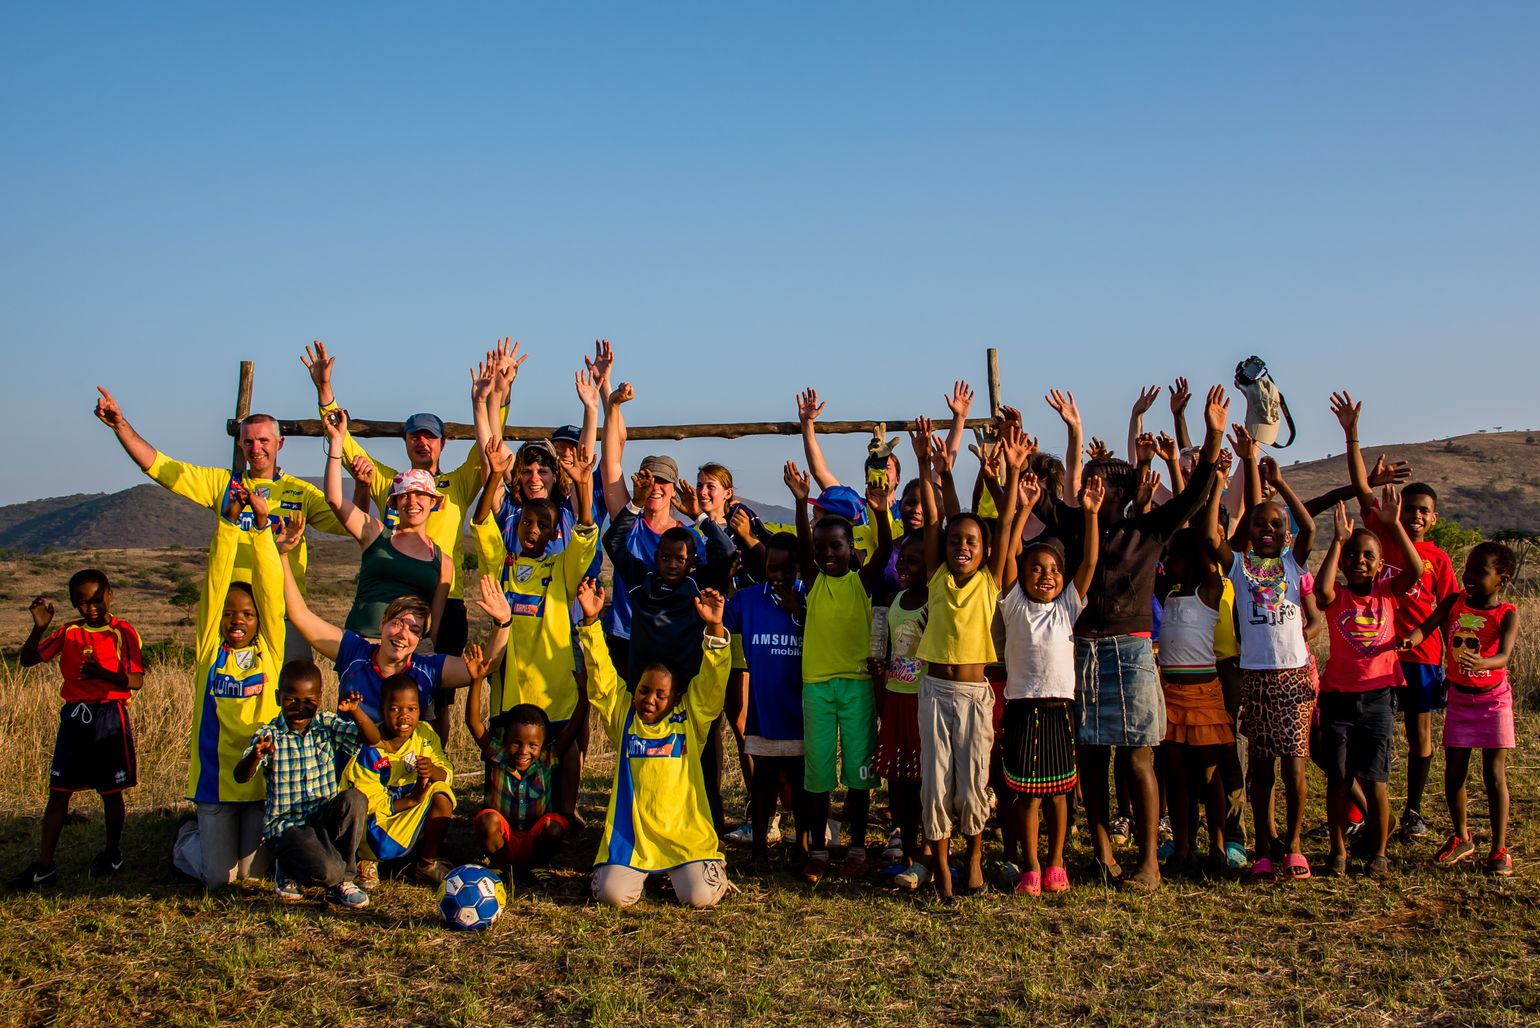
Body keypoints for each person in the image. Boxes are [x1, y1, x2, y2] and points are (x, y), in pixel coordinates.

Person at [1031, 386, 1228, 892]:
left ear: (1122, 491)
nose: (1092, 492)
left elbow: (1196, 493)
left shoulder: (1150, 531)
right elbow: (1045, 497)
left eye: (1103, 486)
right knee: (1092, 756)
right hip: (1083, 651)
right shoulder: (1077, 526)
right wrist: (1017, 462)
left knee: (1139, 755)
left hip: (1133, 652)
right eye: (1088, 484)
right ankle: (1101, 853)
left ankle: (1148, 862)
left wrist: (1212, 434)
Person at [92, 385, 347, 662]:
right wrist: (120, 426)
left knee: (292, 695)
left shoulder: (301, 492)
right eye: (248, 441)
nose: (256, 448)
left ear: (280, 443)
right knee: (230, 697)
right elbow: (161, 468)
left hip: (284, 613)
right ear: (240, 443)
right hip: (233, 618)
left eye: (263, 441)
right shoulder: (223, 484)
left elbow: (349, 522)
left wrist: (362, 484)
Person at [1330, 392, 1459, 842]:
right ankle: (1365, 810)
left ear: (1435, 518)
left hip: (1421, 656)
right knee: (1367, 739)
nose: (1415, 516)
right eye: (1409, 509)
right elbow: (1363, 488)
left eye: (1424, 512)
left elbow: (1448, 605)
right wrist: (1352, 436)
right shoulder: (1382, 534)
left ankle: (1414, 811)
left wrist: (1434, 640)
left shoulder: (1438, 559)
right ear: (1397, 510)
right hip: (1377, 660)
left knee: (1419, 734)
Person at [907, 417, 1021, 900]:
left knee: (972, 781)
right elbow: (935, 521)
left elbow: (1009, 520)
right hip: (934, 691)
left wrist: (1012, 473)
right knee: (935, 784)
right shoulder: (935, 577)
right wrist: (924, 465)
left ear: (985, 551)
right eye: (956, 541)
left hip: (976, 695)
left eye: (972, 542)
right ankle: (942, 869)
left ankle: (973, 860)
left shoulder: (990, 582)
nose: (962, 547)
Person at [577, 579, 735, 909]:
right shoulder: (624, 718)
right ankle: (638, 873)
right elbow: (603, 679)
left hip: (684, 838)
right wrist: (591, 623)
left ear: (676, 698)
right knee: (612, 896)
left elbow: (712, 681)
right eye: (644, 690)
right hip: (632, 840)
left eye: (661, 695)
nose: (650, 699)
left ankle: (698, 871)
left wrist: (716, 626)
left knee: (700, 898)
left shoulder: (690, 717)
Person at [171, 487, 295, 890]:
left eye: (246, 614)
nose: (236, 621)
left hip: (259, 785)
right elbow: (215, 579)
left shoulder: (269, 654)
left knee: (253, 876)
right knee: (218, 880)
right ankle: (187, 838)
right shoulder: (211, 651)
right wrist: (228, 523)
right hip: (215, 783)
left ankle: (219, 846)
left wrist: (262, 529)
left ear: (259, 620)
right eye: (228, 614)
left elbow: (270, 592)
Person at [1206, 454, 1321, 880]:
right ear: (1247, 533)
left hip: (1292, 676)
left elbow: (1309, 528)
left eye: (1276, 524)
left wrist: (1281, 484)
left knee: (1294, 765)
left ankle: (1292, 844)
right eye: (1259, 524)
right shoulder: (1239, 567)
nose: (1268, 530)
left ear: (1286, 532)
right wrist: (1218, 483)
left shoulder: (1293, 564)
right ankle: (1264, 846)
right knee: (1261, 767)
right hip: (1254, 676)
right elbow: (1209, 538)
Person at [471, 438, 598, 821]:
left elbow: (587, 532)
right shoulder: (504, 567)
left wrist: (582, 486)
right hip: (512, 685)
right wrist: (494, 476)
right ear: (518, 523)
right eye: (527, 522)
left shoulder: (561, 570)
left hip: (554, 684)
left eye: (544, 525)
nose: (534, 530)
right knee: (503, 748)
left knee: (566, 746)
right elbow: (481, 525)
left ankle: (564, 813)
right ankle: (501, 812)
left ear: (553, 533)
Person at [997, 438, 1101, 897]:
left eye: (1053, 570)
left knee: (1059, 791)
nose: (1045, 575)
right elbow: (1007, 552)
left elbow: (1091, 561)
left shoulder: (1067, 608)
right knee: (1026, 793)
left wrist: (1092, 515)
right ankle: (1032, 865)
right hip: (1021, 706)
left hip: (1059, 707)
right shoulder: (1015, 605)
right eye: (1036, 568)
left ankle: (1057, 861)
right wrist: (1023, 508)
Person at [278, 521, 507, 725]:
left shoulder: (426, 668)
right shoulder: (354, 651)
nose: (403, 634)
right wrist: (284, 556)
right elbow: (300, 615)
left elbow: (488, 665)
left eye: (415, 630)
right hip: (350, 768)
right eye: (398, 622)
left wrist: (502, 622)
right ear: (382, 624)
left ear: (420, 640)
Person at [785, 456, 892, 884]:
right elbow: (802, 543)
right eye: (821, 547)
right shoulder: (813, 581)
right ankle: (817, 849)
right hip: (817, 688)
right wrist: (798, 502)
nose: (828, 553)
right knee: (818, 775)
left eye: (836, 546)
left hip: (858, 687)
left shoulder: (860, 581)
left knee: (859, 775)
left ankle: (858, 848)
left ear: (852, 550)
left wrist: (882, 511)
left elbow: (886, 549)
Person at [8, 570, 144, 889]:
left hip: (110, 715)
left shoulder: (123, 632)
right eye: (83, 602)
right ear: (74, 603)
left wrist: (105, 674)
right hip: (75, 718)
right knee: (58, 793)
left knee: (111, 792)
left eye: (97, 599)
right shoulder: (68, 632)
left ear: (109, 595)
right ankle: (44, 865)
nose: (92, 607)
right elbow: (28, 660)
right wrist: (38, 629)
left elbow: (136, 680)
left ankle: (112, 854)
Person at [1313, 491, 1423, 876]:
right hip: (1338, 698)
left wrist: (1393, 525)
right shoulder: (1338, 595)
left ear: (1379, 566)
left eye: (1367, 556)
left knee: (1376, 778)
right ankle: (1338, 851)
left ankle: (1379, 851)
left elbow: (1417, 571)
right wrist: (1337, 541)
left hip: (1379, 698)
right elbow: (1320, 591)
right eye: (1352, 556)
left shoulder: (1386, 593)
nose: (1358, 561)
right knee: (1339, 777)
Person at [1402, 542, 1519, 877]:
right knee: (1454, 773)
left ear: (1502, 580)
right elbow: (1428, 624)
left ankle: (1499, 848)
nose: (1468, 577)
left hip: (1493, 700)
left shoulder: (1506, 614)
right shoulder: (1454, 601)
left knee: (1494, 776)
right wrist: (1413, 638)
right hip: (1460, 699)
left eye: (1480, 573)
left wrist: (1483, 661)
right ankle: (1461, 836)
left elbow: (1505, 656)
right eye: (1466, 569)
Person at [234, 663, 381, 908]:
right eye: (291, 699)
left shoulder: (326, 725)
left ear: (320, 698)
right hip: (288, 827)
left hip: (322, 820)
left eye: (308, 700)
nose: (300, 708)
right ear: (277, 696)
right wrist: (256, 756)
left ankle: (344, 880)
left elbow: (372, 739)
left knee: (355, 799)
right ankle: (288, 868)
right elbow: (241, 775)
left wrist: (356, 712)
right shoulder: (270, 734)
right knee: (328, 871)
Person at [320, 408, 451, 647]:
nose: (412, 502)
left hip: (408, 649)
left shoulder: (444, 562)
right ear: (395, 502)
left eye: (420, 495)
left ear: (432, 502)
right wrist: (337, 442)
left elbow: (435, 624)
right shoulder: (375, 533)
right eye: (405, 496)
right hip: (362, 642)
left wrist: (425, 652)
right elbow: (334, 499)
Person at [722, 532, 809, 875]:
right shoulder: (747, 600)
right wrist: (721, 578)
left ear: (798, 570)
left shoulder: (808, 598)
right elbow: (718, 620)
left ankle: (802, 845)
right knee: (763, 786)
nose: (780, 577)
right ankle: (759, 849)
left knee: (802, 787)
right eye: (773, 569)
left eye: (788, 571)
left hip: (801, 713)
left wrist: (799, 611)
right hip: (763, 712)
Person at [464, 644, 589, 881]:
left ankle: (536, 866)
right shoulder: (498, 756)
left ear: (541, 745)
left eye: (532, 745)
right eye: (516, 742)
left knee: (555, 826)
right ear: (505, 740)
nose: (523, 751)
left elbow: (572, 730)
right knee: (487, 820)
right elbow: (473, 723)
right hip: (504, 837)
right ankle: (501, 867)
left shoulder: (546, 759)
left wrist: (584, 695)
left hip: (534, 838)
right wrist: (477, 681)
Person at [341, 675, 456, 886]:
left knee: (441, 792)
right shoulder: (370, 750)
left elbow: (447, 773)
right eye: (395, 709)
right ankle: (366, 860)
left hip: (408, 815)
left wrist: (432, 770)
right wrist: (412, 800)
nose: (404, 717)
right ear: (382, 710)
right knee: (384, 846)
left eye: (411, 709)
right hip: (378, 827)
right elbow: (369, 807)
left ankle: (426, 863)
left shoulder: (424, 735)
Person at [874, 534, 930, 890]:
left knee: (926, 784)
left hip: (923, 701)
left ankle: (929, 856)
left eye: (913, 560)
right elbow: (892, 646)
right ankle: (907, 855)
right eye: (901, 560)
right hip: (896, 698)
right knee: (900, 784)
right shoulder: (894, 601)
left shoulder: (934, 601)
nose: (903, 567)